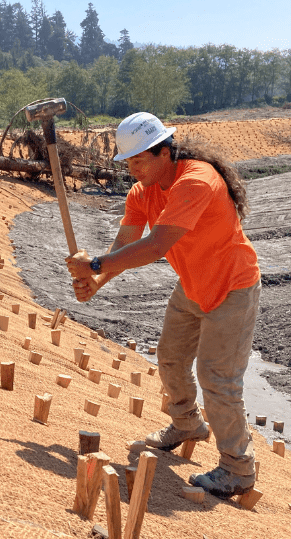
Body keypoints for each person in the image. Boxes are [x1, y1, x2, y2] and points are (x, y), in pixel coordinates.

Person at [65, 112, 260, 499]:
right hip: (192, 284)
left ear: (165, 152)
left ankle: (238, 469)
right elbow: (124, 245)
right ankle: (187, 424)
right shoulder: (141, 193)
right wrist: (96, 281)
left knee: (218, 380)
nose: (133, 170)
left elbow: (156, 245)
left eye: (139, 161)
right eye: (129, 162)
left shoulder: (198, 179)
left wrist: (98, 266)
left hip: (233, 286)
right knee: (170, 359)